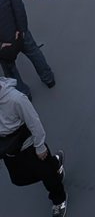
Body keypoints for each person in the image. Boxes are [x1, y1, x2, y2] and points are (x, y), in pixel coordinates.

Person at [0, 76, 67, 215]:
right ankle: (54, 164)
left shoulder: (16, 99)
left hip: (28, 145)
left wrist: (40, 146)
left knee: (48, 177)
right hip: (8, 147)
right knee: (18, 179)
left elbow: (34, 122)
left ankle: (59, 199)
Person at [0, 0, 55, 97]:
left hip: (4, 46)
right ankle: (48, 79)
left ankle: (24, 93)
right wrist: (22, 30)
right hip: (19, 34)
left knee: (10, 69)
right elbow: (19, 8)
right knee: (34, 53)